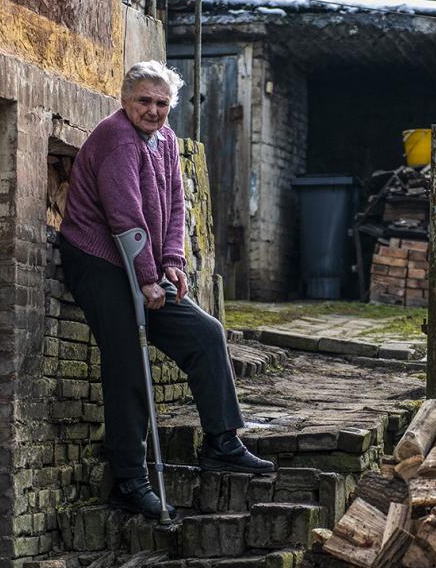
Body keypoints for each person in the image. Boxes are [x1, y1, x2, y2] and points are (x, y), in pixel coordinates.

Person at [57, 61, 275, 520]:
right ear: (124, 98)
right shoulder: (117, 138)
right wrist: (146, 277)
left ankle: (221, 441)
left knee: (206, 333)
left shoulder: (166, 140)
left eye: (161, 103)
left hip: (141, 262)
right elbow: (124, 214)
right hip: (98, 259)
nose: (153, 111)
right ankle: (130, 480)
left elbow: (176, 206)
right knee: (128, 362)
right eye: (144, 101)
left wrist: (172, 263)